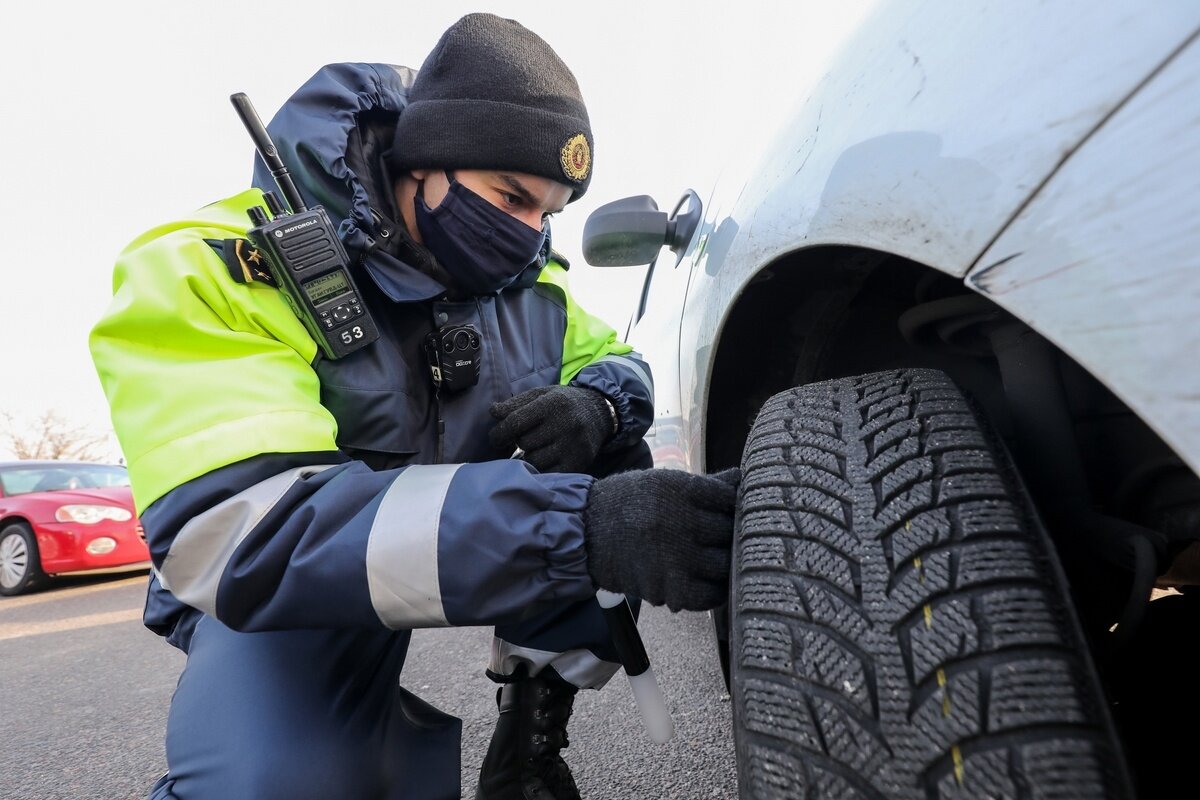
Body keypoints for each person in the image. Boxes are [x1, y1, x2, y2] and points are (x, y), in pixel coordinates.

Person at [90, 13, 739, 800]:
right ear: (425, 161)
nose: (529, 233)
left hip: (451, 545)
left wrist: (599, 406)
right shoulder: (217, 265)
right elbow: (240, 529)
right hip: (284, 592)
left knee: (612, 457)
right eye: (510, 196)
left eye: (550, 212)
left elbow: (615, 361)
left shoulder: (527, 282)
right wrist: (577, 528)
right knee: (282, 780)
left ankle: (530, 736)